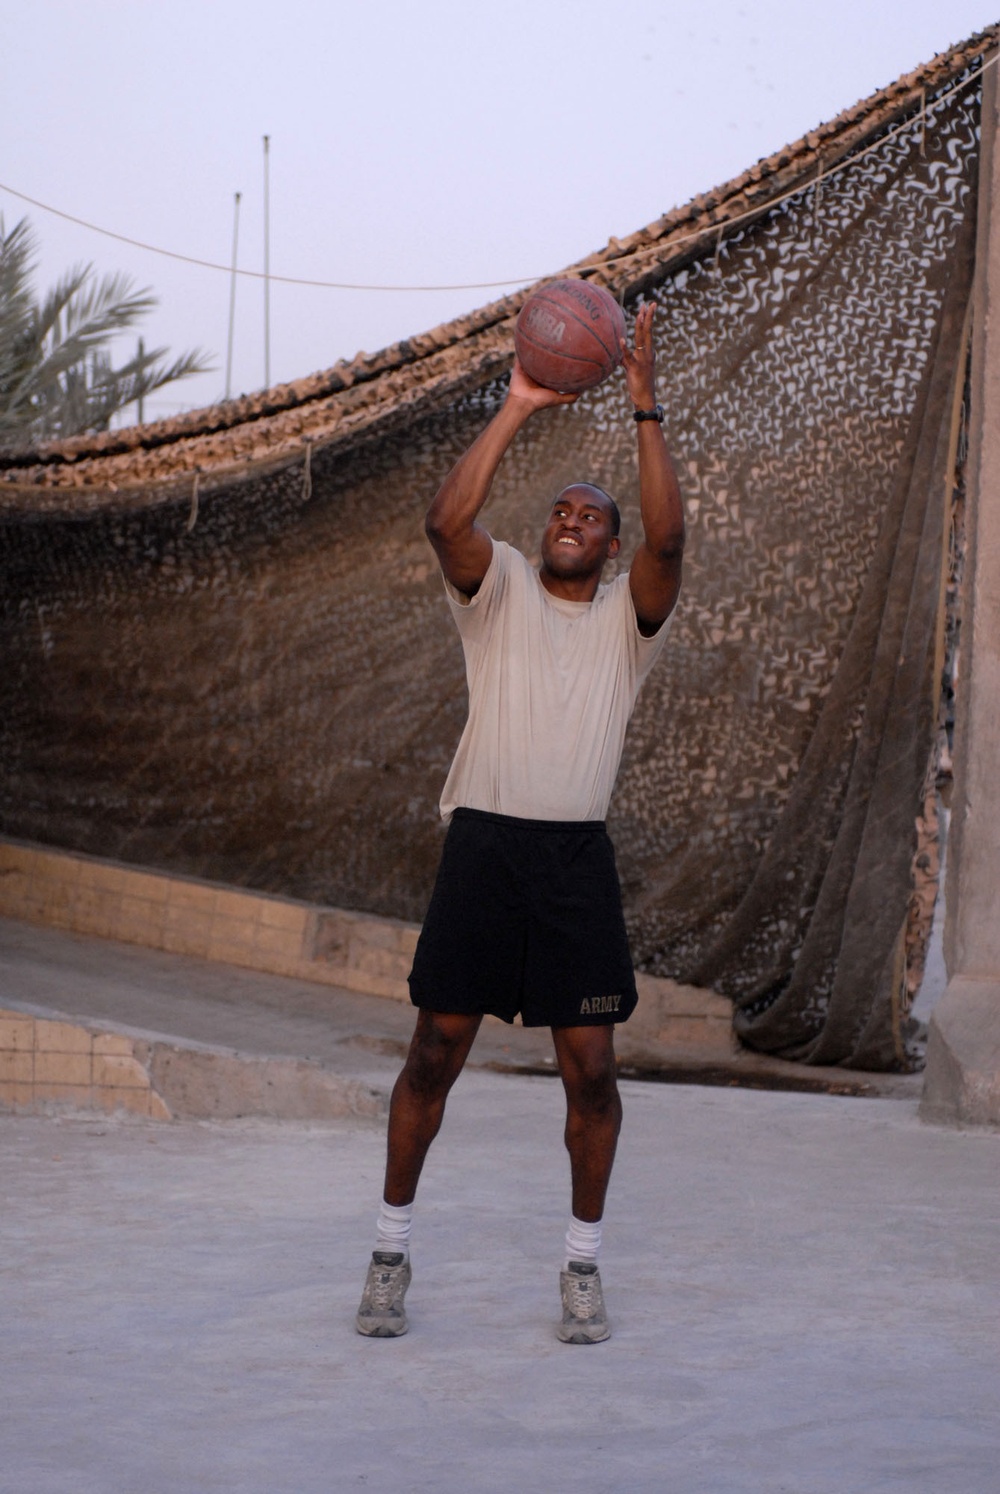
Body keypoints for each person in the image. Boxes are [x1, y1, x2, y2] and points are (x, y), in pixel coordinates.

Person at [356, 300, 684, 1344]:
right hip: (485, 848)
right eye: (560, 511)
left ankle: (581, 1268)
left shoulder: (631, 622)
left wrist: (641, 407)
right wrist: (519, 400)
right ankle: (388, 1250)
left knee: (591, 1073)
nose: (572, 520)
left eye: (592, 516)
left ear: (613, 545)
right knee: (431, 1054)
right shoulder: (495, 587)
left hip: (572, 861)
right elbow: (445, 522)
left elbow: (672, 534)